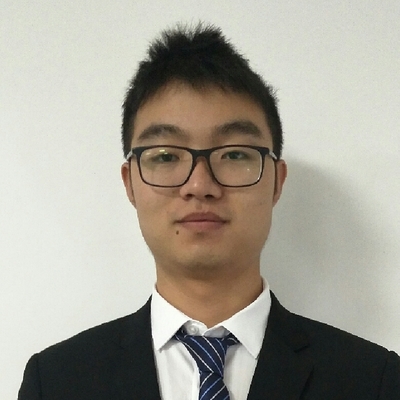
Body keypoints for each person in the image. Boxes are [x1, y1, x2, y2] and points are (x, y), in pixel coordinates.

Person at [19, 23, 400, 400]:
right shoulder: (55, 382)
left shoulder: (373, 380)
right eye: (165, 156)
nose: (199, 185)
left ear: (277, 182)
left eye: (234, 154)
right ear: (130, 183)